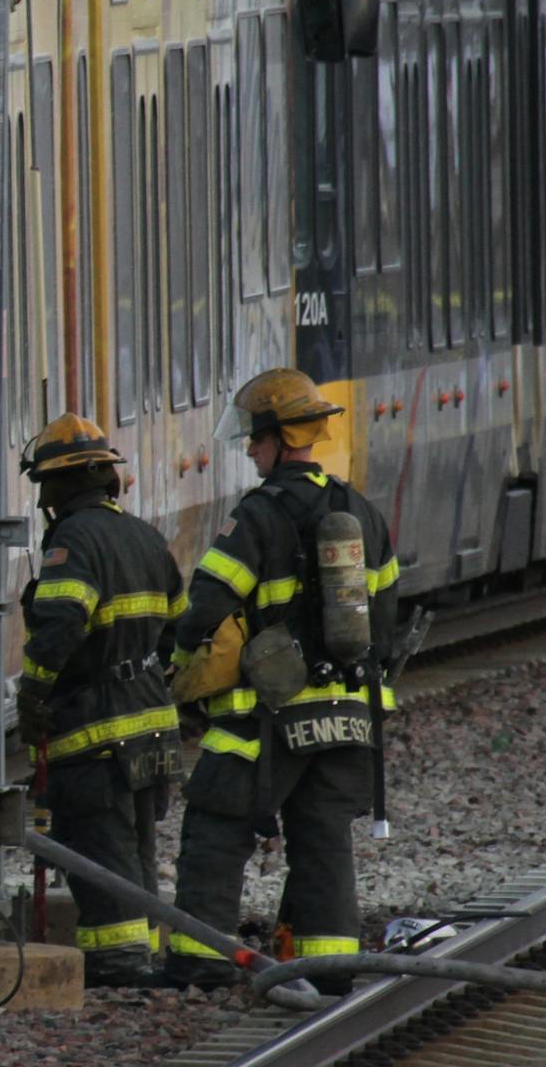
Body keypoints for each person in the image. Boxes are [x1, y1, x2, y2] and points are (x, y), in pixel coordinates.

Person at [164, 368, 400, 989]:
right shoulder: (363, 512)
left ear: (276, 437)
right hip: (348, 718)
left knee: (216, 827)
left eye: (255, 439)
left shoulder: (257, 517)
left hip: (264, 721)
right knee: (323, 841)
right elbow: (386, 615)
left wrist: (185, 659)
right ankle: (330, 968)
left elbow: (205, 609)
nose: (249, 450)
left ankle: (202, 961)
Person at [14, 414, 183, 988]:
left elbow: (60, 622)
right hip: (150, 719)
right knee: (135, 843)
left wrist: (34, 689)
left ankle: (117, 963)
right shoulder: (145, 536)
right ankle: (143, 949)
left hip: (96, 728)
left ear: (61, 487)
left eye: (46, 486)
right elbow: (179, 627)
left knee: (98, 846)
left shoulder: (74, 540)